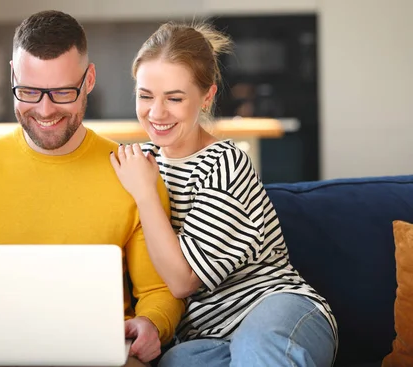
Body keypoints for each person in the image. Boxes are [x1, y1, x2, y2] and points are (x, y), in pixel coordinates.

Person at [0, 10, 185, 367]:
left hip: (94, 353)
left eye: (63, 92)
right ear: (12, 76)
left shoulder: (133, 173)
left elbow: (158, 292)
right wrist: (8, 302)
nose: (45, 109)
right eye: (29, 91)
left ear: (89, 80)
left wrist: (151, 323)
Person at [110, 21, 338, 367]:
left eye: (174, 98)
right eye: (145, 96)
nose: (156, 113)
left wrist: (145, 194)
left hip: (275, 309)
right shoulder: (138, 162)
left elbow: (182, 280)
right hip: (205, 339)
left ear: (206, 97)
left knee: (258, 351)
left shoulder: (226, 164)